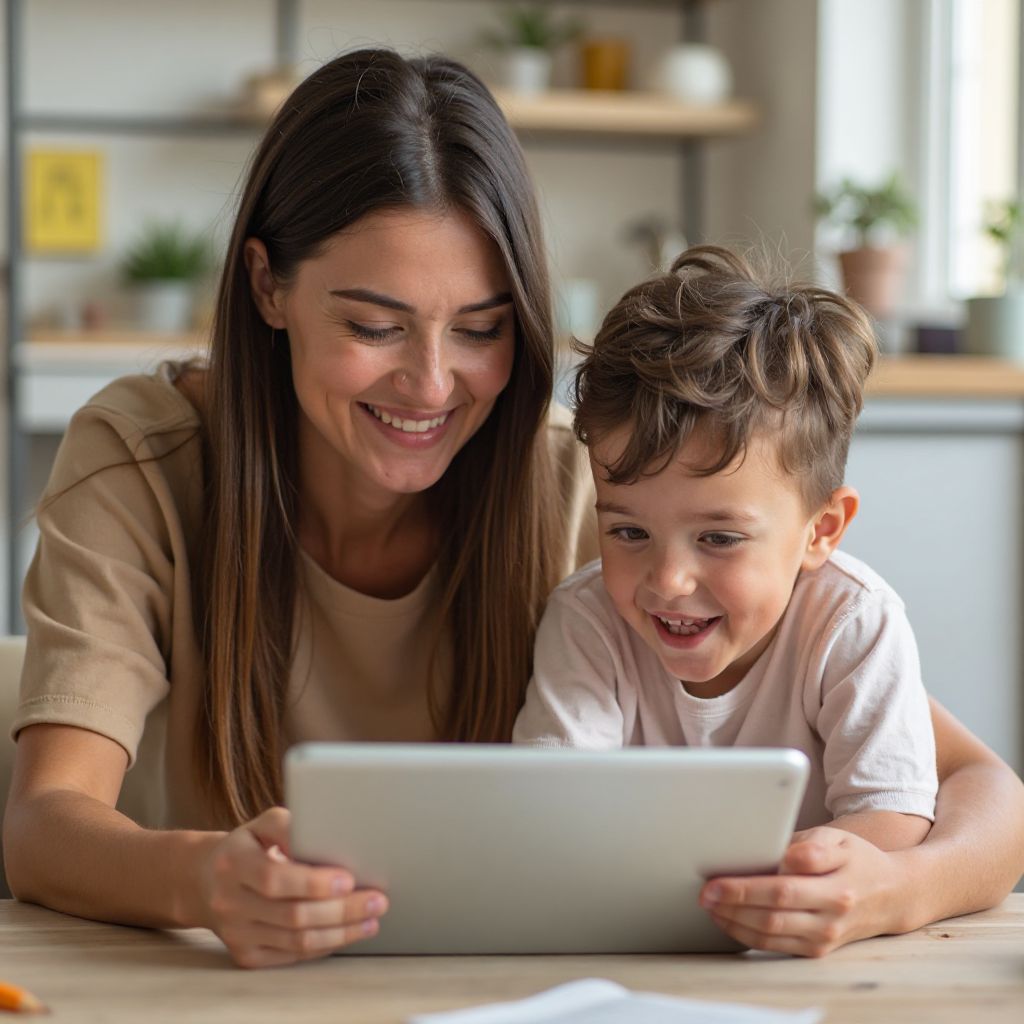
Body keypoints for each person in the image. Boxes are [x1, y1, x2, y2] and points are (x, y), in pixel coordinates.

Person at [2, 51, 1022, 967]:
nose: (431, 384)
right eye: (373, 324)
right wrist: (200, 880)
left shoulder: (594, 490)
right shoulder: (144, 461)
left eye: (482, 329)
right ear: (268, 285)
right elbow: (45, 822)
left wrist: (892, 886)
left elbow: (987, 796)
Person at [515, 245, 1024, 955]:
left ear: (822, 531)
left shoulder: (853, 623)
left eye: (719, 538)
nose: (667, 580)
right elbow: (551, 807)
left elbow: (892, 820)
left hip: (808, 961)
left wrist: (805, 887)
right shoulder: (587, 618)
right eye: (628, 530)